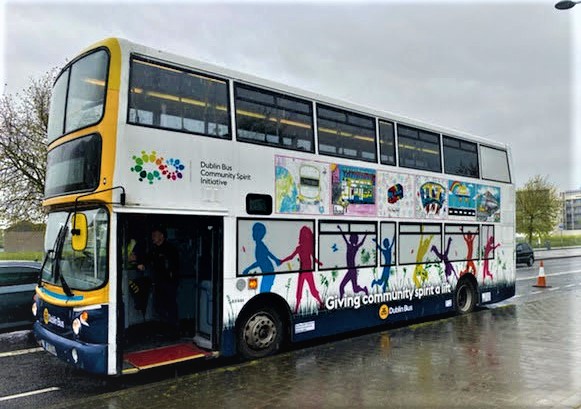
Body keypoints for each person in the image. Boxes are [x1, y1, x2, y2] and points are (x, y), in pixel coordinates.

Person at [137, 226, 180, 335]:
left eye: (155, 235)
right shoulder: (154, 250)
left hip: (169, 282)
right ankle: (164, 329)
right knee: (159, 305)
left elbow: (175, 266)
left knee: (170, 305)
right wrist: (141, 263)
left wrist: (172, 278)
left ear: (162, 236)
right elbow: (147, 258)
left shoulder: (170, 249)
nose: (153, 237)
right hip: (159, 282)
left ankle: (173, 330)